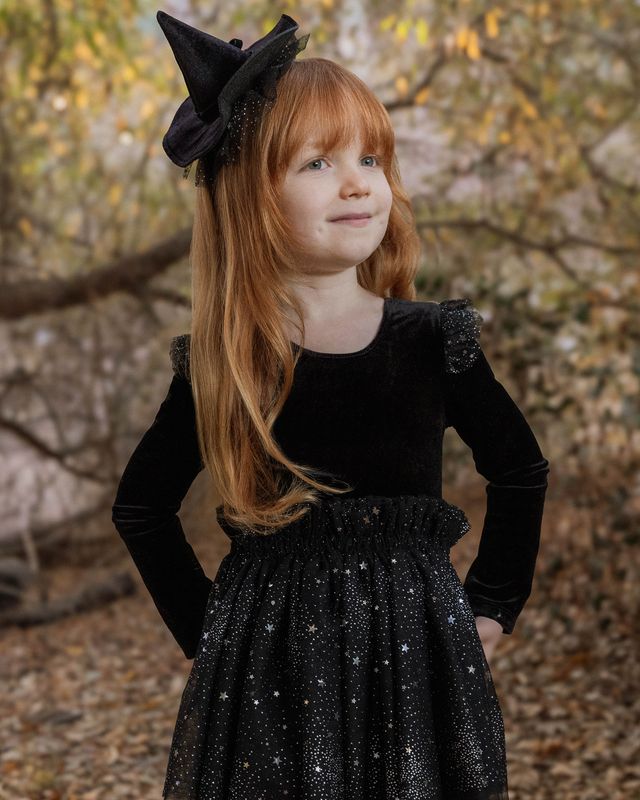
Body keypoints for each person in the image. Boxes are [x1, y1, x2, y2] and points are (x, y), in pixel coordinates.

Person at [111, 10, 550, 800]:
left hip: (419, 655)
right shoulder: (225, 361)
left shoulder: (432, 340)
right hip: (266, 673)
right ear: (247, 193)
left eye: (371, 158)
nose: (358, 182)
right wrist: (207, 634)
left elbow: (520, 467)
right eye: (318, 163)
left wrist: (491, 606)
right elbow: (141, 505)